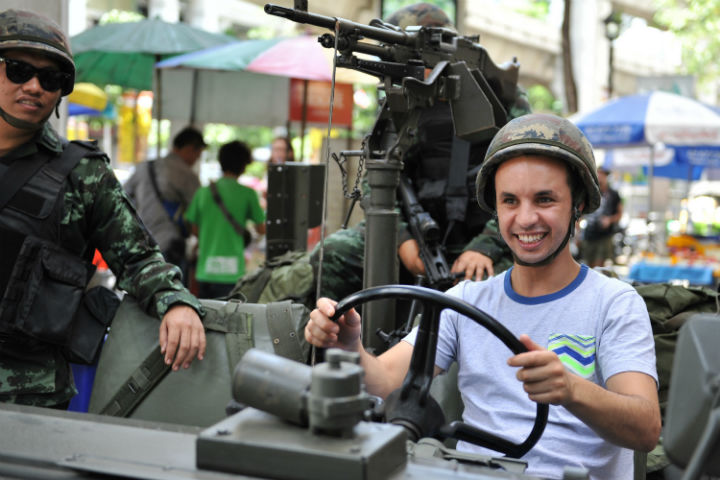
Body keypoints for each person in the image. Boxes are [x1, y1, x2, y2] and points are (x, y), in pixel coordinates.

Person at [306, 114, 661, 479]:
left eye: (544, 199)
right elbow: (384, 381)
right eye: (510, 201)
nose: (525, 219)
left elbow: (646, 428)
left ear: (579, 204)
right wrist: (348, 346)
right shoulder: (466, 301)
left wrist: (572, 389)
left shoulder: (613, 303)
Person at [232, 3, 515, 308]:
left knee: (500, 284)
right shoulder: (404, 101)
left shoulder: (499, 98)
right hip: (416, 235)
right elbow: (374, 178)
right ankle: (329, 332)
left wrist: (485, 247)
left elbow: (526, 186)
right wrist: (403, 241)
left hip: (481, 237)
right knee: (335, 252)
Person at [0, 9, 206, 409]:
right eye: (19, 70)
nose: (35, 86)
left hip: (27, 393)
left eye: (51, 78)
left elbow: (139, 258)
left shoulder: (82, 174)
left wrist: (176, 301)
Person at [185, 140, 266, 299]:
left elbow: (192, 226)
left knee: (204, 312)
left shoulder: (203, 192)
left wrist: (208, 237)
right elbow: (261, 229)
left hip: (205, 270)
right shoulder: (247, 194)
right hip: (232, 273)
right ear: (243, 165)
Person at [124, 125, 206, 275]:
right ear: (189, 149)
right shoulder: (187, 175)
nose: (197, 159)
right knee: (168, 288)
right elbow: (199, 214)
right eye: (198, 154)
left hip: (140, 244)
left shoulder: (144, 167)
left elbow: (124, 198)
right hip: (170, 245)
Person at [581, 166, 623, 267]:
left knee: (599, 265)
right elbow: (581, 211)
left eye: (602, 174)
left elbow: (620, 214)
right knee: (588, 263)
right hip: (589, 233)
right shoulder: (589, 193)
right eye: (598, 173)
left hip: (604, 235)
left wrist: (609, 220)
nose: (600, 176)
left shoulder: (613, 194)